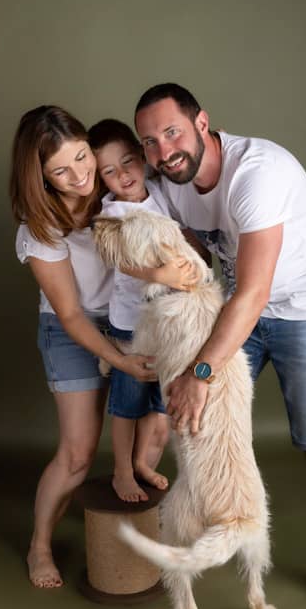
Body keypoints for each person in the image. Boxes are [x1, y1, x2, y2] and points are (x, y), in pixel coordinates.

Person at [133, 83, 306, 609]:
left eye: (172, 133)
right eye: (150, 142)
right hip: (234, 303)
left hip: (303, 307)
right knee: (186, 420)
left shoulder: (258, 173)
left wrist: (201, 370)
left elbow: (256, 292)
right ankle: (189, 545)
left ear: (202, 123)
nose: (164, 152)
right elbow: (185, 256)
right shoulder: (169, 184)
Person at [9, 105, 195, 588]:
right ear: (42, 178)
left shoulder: (121, 186)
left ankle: (127, 513)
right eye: (61, 171)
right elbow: (71, 313)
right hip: (72, 327)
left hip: (135, 318)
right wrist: (119, 362)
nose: (80, 176)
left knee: (152, 429)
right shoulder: (40, 226)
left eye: (82, 158)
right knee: (76, 454)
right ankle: (40, 545)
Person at [88, 118, 172, 503]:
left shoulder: (159, 193)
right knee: (127, 403)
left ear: (142, 157)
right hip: (131, 326)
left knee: (159, 401)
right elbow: (121, 258)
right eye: (109, 171)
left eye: (127, 162)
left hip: (168, 322)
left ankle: (142, 462)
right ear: (100, 179)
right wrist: (160, 271)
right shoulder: (111, 215)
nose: (122, 175)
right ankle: (123, 470)